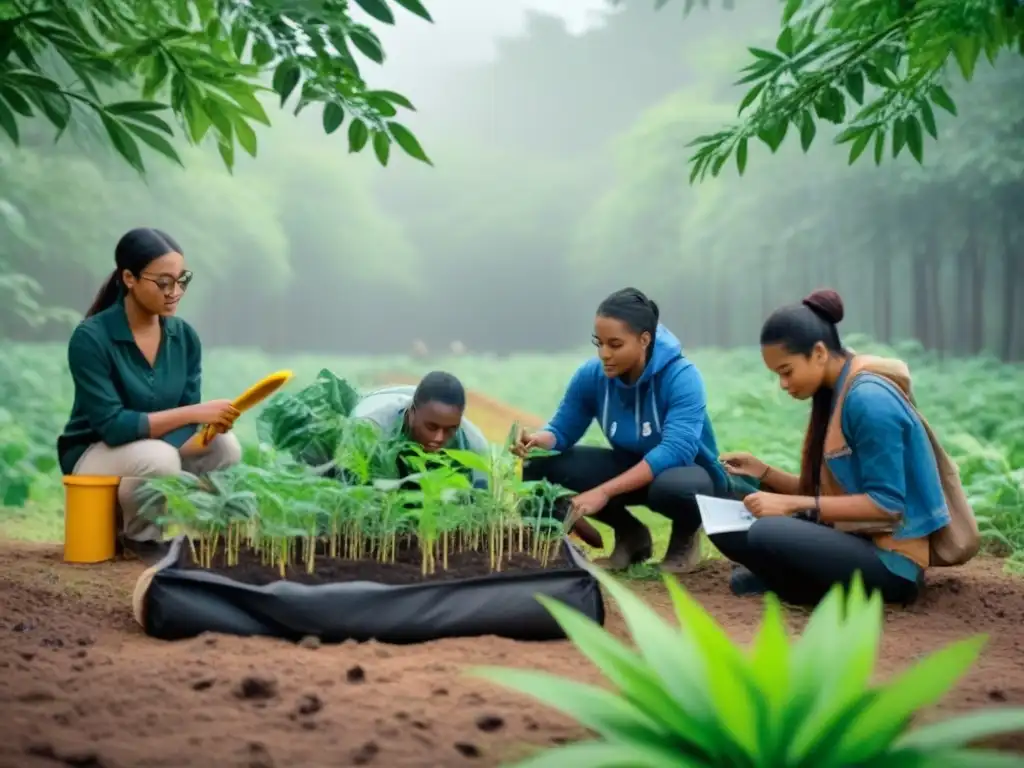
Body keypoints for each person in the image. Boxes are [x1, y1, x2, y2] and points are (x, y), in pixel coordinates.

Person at [716, 289, 954, 606]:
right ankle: (787, 578)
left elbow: (887, 506)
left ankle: (790, 581)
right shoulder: (836, 392)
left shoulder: (868, 400)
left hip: (891, 564)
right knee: (728, 505)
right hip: (852, 536)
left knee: (765, 532)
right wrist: (764, 473)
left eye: (786, 372)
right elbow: (831, 496)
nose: (783, 385)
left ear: (818, 353)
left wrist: (789, 506)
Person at [513, 288, 729, 571]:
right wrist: (538, 440)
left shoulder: (682, 376)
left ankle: (684, 539)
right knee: (537, 466)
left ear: (644, 339)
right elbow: (563, 429)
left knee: (674, 487)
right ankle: (631, 534)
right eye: (598, 343)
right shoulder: (593, 375)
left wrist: (603, 492)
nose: (604, 354)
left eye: (615, 344)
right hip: (632, 466)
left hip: (687, 475)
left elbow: (676, 450)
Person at [57, 228, 242, 557]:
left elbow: (186, 419)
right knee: (160, 458)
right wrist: (195, 414)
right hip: (95, 451)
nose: (176, 292)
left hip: (151, 452)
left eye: (181, 279)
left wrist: (207, 425)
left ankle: (208, 535)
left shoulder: (184, 337)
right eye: (164, 282)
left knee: (224, 446)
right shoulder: (91, 337)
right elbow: (112, 426)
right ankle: (143, 539)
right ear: (129, 278)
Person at [351, 372, 490, 487]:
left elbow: (478, 503)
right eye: (431, 427)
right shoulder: (371, 429)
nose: (439, 438)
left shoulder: (473, 444)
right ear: (411, 413)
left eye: (450, 429)